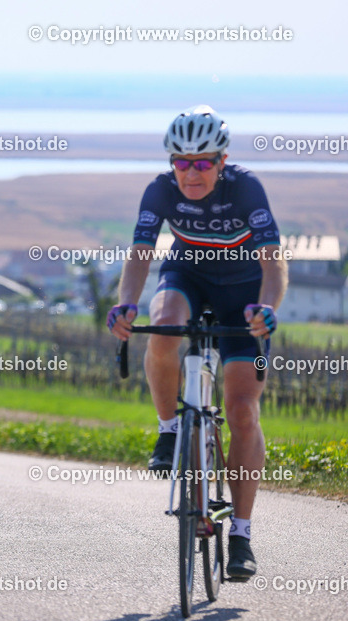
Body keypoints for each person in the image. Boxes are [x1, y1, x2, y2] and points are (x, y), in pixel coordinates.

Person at [108, 106, 287, 580]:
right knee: (163, 322)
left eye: (203, 162)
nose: (191, 172)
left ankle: (242, 535)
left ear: (222, 161)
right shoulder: (160, 189)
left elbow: (274, 262)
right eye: (181, 162)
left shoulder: (246, 188)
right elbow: (141, 255)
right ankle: (169, 430)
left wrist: (268, 308)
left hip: (243, 292)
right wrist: (125, 304)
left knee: (243, 410)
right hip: (187, 276)